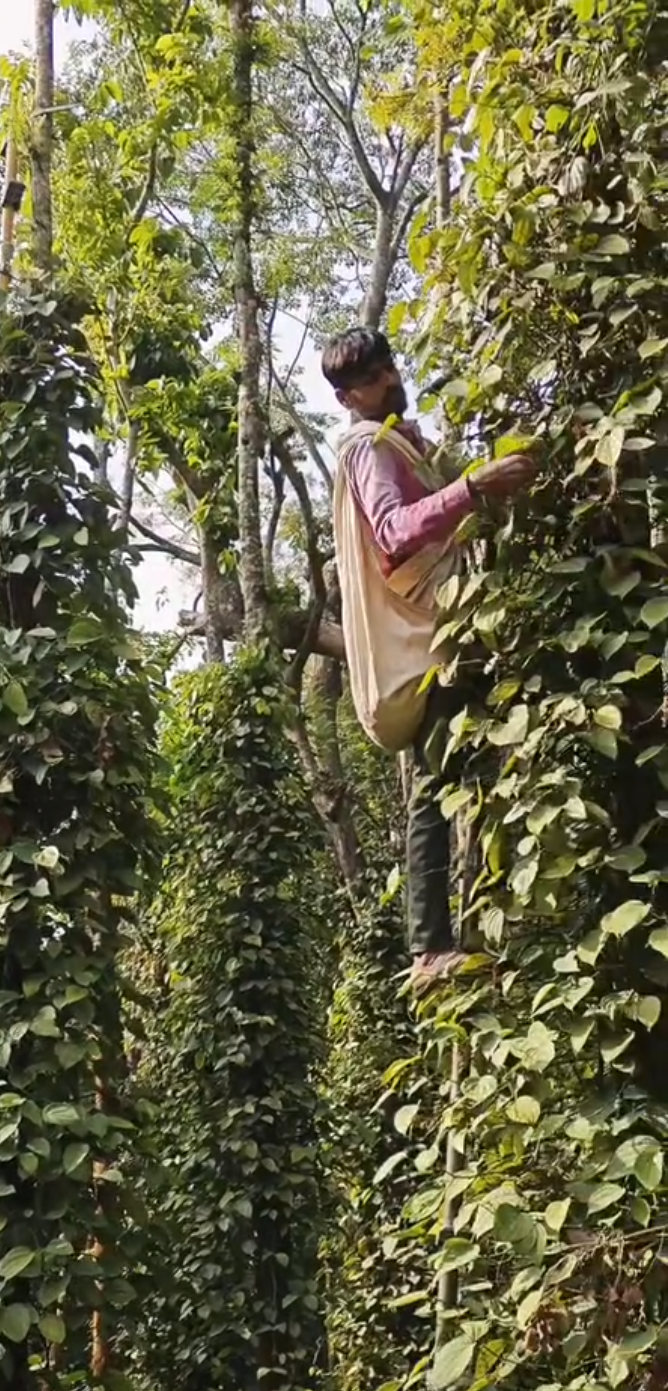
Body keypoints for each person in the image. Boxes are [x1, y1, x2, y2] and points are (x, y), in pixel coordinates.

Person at [321, 326, 537, 990]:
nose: (380, 386)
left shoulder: (404, 441)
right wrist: (474, 487)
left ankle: (458, 933)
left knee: (463, 769)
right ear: (359, 390)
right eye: (365, 382)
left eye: (378, 373)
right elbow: (393, 532)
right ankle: (430, 948)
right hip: (429, 639)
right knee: (436, 784)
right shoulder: (369, 449)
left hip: (450, 628)